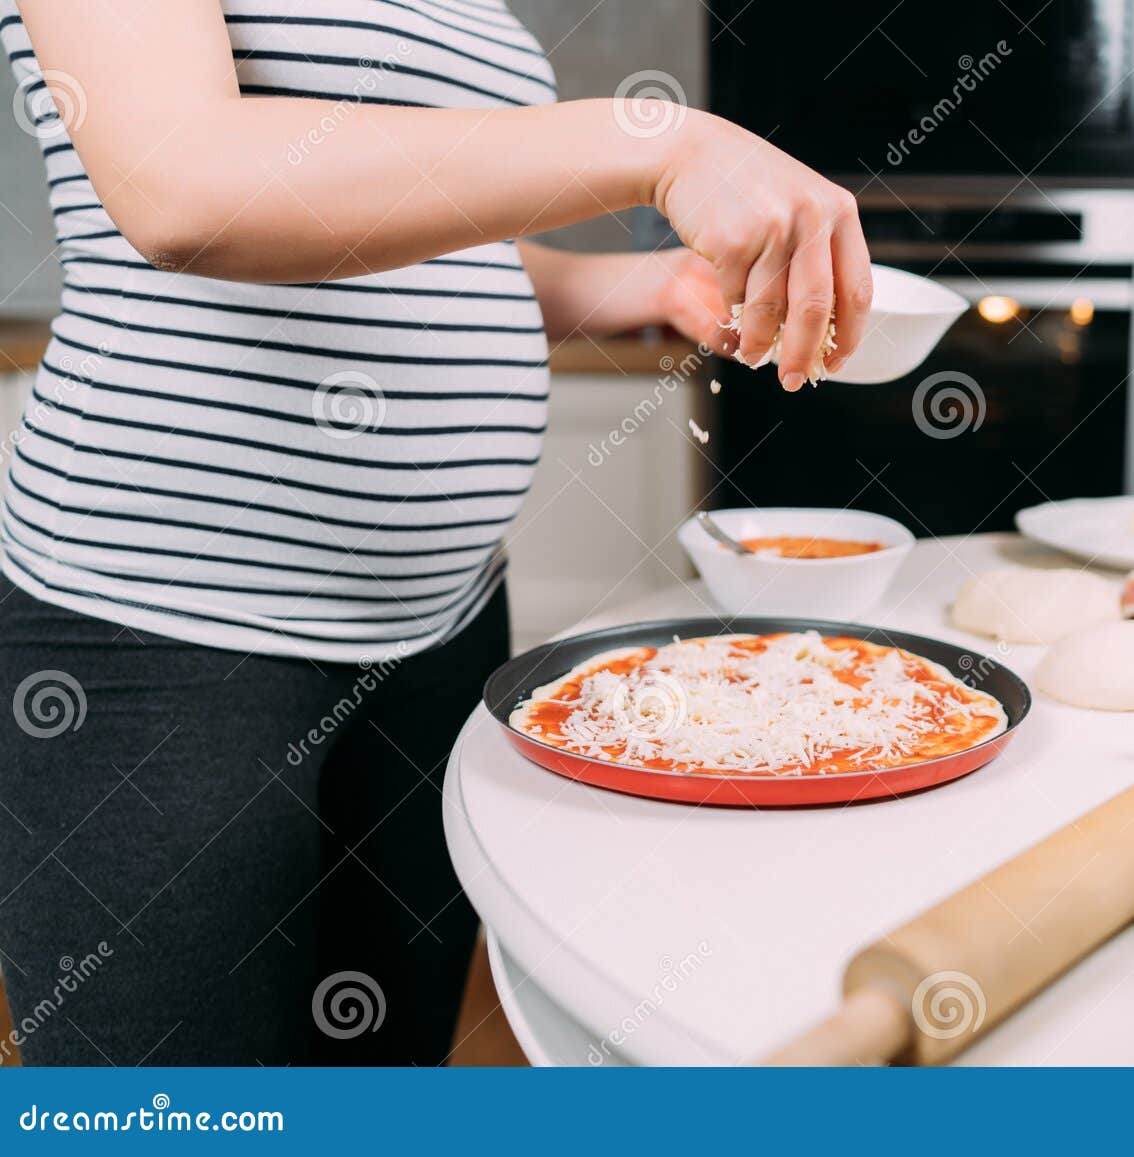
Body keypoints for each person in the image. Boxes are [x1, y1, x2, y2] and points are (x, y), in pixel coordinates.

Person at [0, 0, 870, 1065]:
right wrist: (662, 142)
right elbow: (187, 185)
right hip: (164, 632)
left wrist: (644, 284)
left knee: (384, 1075)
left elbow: (436, 251)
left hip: (439, 626)